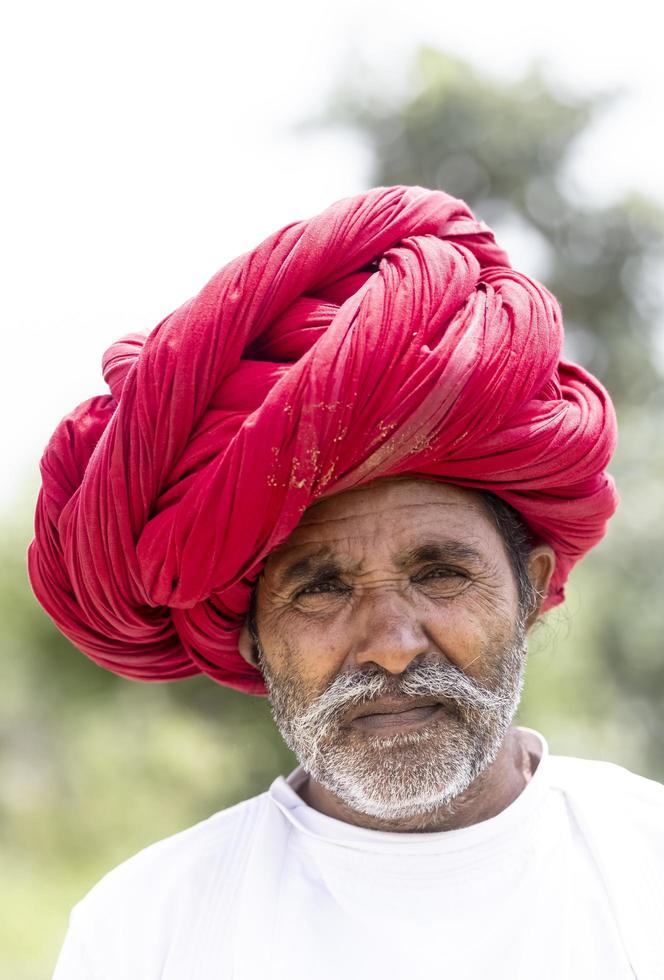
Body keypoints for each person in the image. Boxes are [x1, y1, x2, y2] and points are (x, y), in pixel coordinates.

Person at [29, 186, 663, 978]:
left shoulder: (646, 872)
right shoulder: (147, 931)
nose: (393, 647)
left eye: (439, 575)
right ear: (251, 630)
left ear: (530, 590)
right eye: (321, 590)